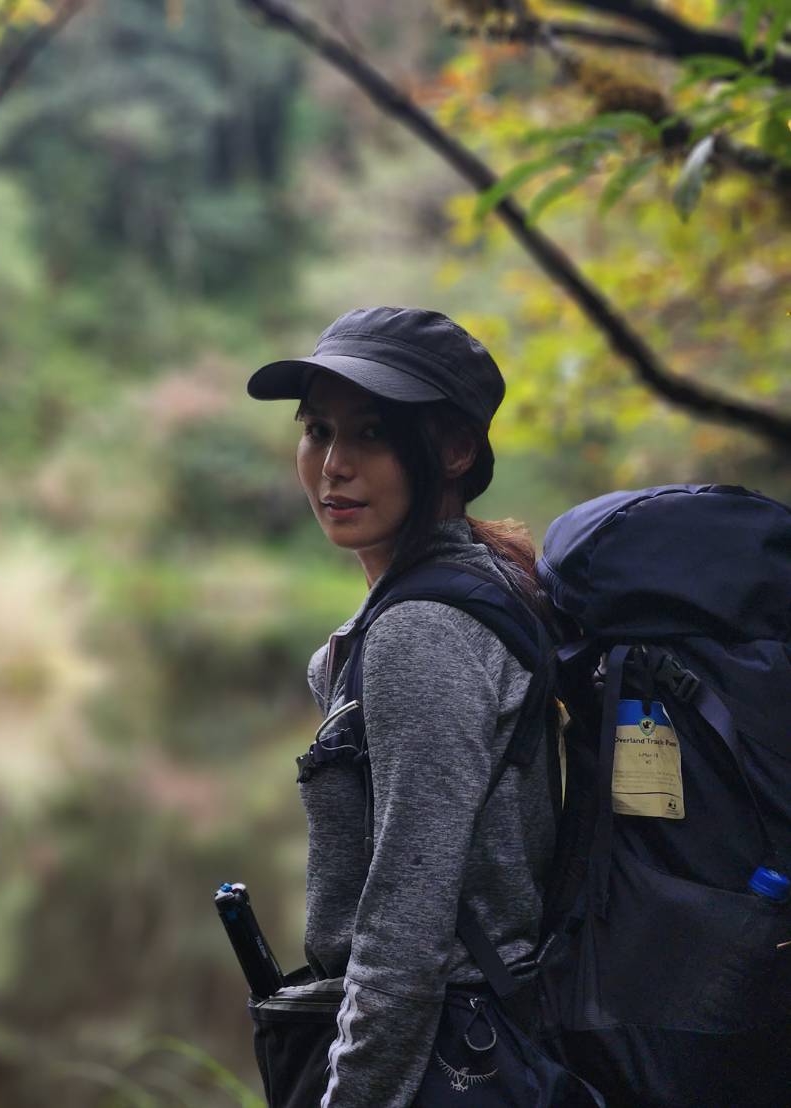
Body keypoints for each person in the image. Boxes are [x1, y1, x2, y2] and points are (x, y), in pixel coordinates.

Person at [246, 306, 559, 1107]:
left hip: (446, 1060)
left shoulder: (422, 630)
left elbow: (406, 931)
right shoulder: (488, 582)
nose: (333, 466)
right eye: (317, 430)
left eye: (373, 433)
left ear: (454, 450)